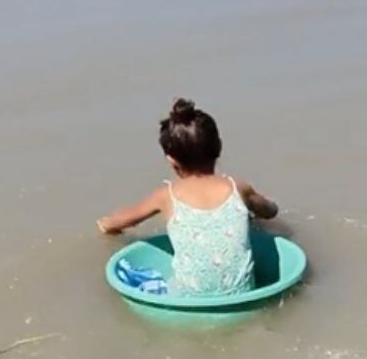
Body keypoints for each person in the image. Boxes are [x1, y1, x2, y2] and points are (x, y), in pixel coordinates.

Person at [96, 98, 278, 296]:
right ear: (219, 146)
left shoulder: (167, 196)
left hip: (187, 303)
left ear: (171, 161)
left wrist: (106, 224)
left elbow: (120, 222)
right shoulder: (238, 188)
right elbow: (270, 211)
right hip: (243, 298)